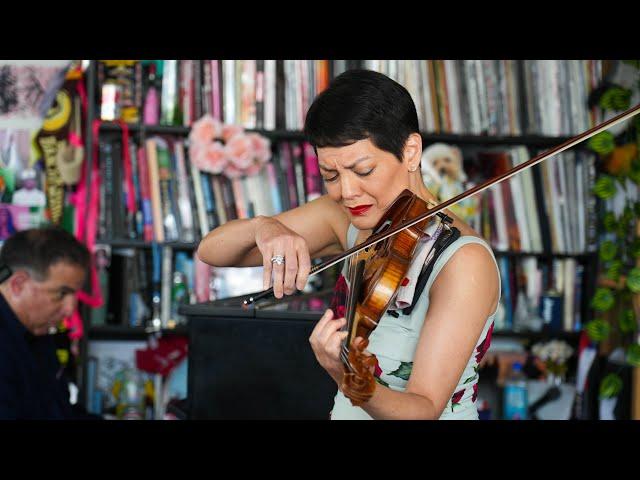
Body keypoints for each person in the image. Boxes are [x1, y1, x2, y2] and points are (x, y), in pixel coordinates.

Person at [197, 69, 500, 420]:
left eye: (364, 170)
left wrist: (347, 377)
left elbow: (424, 409)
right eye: (331, 176)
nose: (347, 192)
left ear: (411, 151)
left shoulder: (464, 261)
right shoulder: (348, 220)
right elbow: (211, 250)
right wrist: (265, 227)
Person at [0, 227, 92, 419]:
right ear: (18, 285)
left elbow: (61, 413)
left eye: (74, 295)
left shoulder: (38, 333)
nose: (69, 309)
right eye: (62, 293)